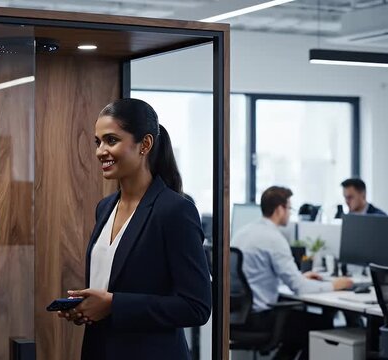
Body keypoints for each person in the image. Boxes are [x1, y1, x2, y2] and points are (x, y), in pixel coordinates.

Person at [57, 98, 211, 360]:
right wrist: (87, 308)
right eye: (98, 142)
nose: (100, 151)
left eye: (111, 140)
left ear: (145, 145)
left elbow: (196, 307)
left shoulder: (174, 211)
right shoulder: (105, 208)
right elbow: (110, 286)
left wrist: (113, 305)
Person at [231, 186, 353, 360]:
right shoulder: (274, 239)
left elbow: (259, 275)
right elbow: (299, 288)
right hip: (260, 319)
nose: (289, 213)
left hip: (238, 316)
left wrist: (299, 277)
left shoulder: (243, 232)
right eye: (289, 208)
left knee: (298, 329)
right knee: (321, 323)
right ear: (280, 209)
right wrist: (334, 284)